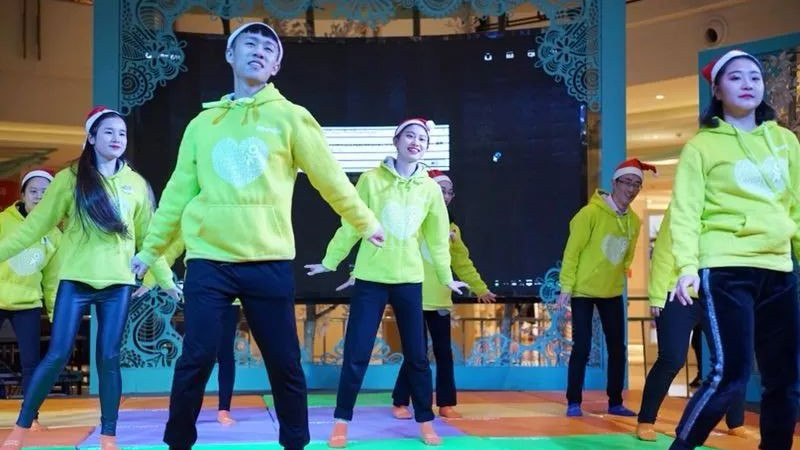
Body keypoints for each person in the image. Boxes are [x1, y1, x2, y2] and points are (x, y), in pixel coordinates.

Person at [130, 22, 384, 450]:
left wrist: (365, 222)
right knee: (195, 358)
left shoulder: (291, 117)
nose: (259, 51)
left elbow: (330, 178)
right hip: (209, 260)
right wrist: (150, 249)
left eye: (269, 48)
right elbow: (176, 193)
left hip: (267, 258)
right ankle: (177, 443)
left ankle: (295, 443)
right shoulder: (202, 124)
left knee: (284, 363)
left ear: (276, 66)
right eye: (249, 43)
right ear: (230, 55)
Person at [0, 107, 178, 450]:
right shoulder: (69, 179)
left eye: (122, 133)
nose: (117, 138)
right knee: (57, 354)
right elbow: (31, 229)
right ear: (92, 138)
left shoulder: (136, 184)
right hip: (75, 280)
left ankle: (108, 436)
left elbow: (150, 239)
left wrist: (166, 280)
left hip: (118, 283)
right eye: (108, 132)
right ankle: (21, 426)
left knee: (108, 358)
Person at [306, 118, 467, 447]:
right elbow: (352, 224)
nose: (416, 142)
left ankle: (425, 420)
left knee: (417, 356)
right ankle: (341, 421)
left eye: (422, 138)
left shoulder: (429, 189)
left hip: (409, 280)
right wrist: (330, 261)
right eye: (409, 135)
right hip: (371, 279)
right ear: (396, 140)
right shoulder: (371, 179)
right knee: (356, 353)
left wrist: (446, 276)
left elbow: (437, 238)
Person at [668, 49, 800, 450]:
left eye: (755, 77)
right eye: (736, 77)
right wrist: (686, 267)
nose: (748, 84)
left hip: (780, 268)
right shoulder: (701, 147)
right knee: (730, 375)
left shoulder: (785, 141)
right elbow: (686, 212)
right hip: (726, 268)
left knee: (785, 378)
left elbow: (796, 206)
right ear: (717, 90)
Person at [390, 169, 497, 420]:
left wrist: (479, 287)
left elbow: (462, 262)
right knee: (415, 354)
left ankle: (446, 403)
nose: (446, 196)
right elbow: (399, 250)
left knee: (444, 352)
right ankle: (400, 401)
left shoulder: (453, 229)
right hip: (413, 297)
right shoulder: (412, 220)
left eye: (449, 192)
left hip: (439, 299)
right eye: (441, 190)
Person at [635, 207, 748, 441]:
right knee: (672, 358)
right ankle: (646, 420)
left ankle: (736, 422)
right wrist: (657, 296)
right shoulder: (681, 207)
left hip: (714, 294)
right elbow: (663, 252)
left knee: (732, 358)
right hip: (678, 293)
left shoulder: (726, 208)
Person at [557, 158, 654, 417]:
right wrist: (566, 286)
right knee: (582, 346)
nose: (631, 189)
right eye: (627, 182)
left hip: (611, 292)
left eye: (636, 185)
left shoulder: (634, 221)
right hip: (583, 291)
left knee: (617, 348)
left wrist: (619, 277)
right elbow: (572, 252)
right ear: (614, 183)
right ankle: (573, 401)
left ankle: (615, 401)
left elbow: (627, 258)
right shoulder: (589, 214)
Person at [134, 237, 241, 425]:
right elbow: (168, 253)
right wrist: (149, 282)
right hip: (200, 293)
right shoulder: (192, 224)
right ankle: (185, 409)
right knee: (196, 354)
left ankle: (224, 409)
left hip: (231, 297)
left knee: (225, 353)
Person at [0, 169, 61, 431]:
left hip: (28, 304)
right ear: (22, 194)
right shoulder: (3, 221)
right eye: (33, 191)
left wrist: (57, 315)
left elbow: (52, 281)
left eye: (45, 193)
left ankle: (30, 418)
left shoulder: (54, 234)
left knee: (31, 364)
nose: (38, 196)